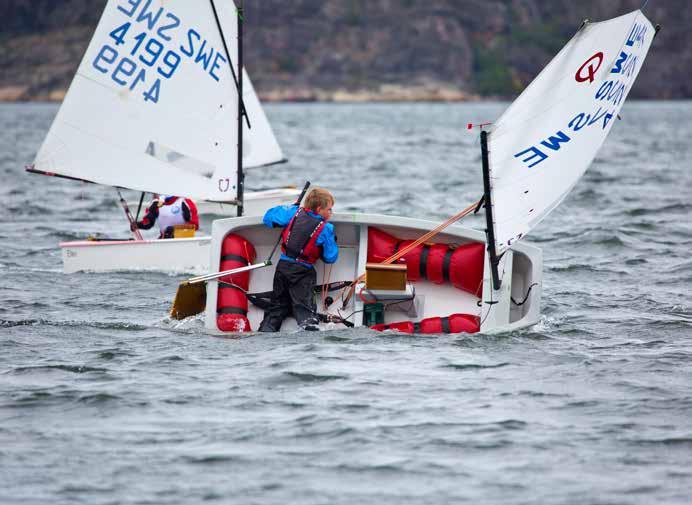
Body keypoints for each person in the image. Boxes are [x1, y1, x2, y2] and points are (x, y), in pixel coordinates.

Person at [258, 187, 338, 332]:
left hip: (282, 269)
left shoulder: (293, 213)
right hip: (303, 273)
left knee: (275, 310)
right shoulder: (326, 228)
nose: (331, 213)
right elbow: (330, 257)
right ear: (319, 209)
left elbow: (268, 218)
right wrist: (332, 240)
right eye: (329, 210)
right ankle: (310, 345)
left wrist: (288, 208)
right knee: (306, 314)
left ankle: (265, 332)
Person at [134, 195, 199, 239]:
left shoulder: (185, 201)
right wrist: (137, 225)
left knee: (170, 231)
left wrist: (175, 229)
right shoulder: (156, 203)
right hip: (165, 240)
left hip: (183, 241)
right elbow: (148, 223)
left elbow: (195, 226)